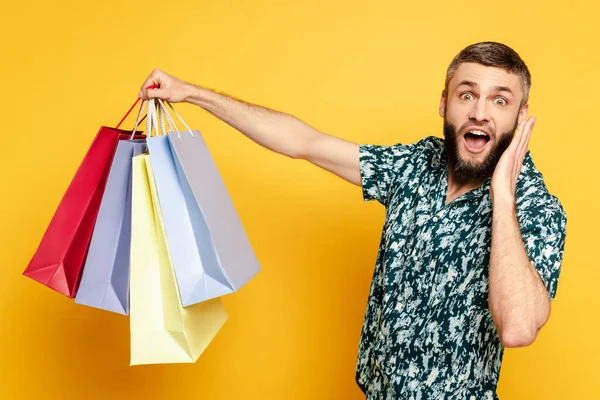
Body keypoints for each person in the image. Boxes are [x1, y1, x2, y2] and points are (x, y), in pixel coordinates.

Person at [138, 41, 567, 399]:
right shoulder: (415, 166)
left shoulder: (535, 208)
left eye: (500, 100)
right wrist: (189, 93)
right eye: (467, 94)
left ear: (520, 116)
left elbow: (518, 327)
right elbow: (304, 142)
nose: (479, 112)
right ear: (444, 102)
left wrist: (503, 195)